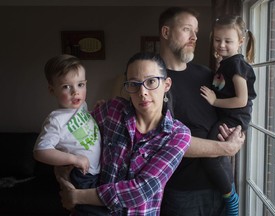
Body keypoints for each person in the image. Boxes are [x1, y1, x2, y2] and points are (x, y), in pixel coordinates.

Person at [56, 52, 192, 215]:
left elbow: (142, 190)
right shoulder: (112, 110)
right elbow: (70, 135)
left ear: (166, 84)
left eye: (151, 82)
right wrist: (62, 172)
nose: (142, 92)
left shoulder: (178, 135)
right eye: (134, 84)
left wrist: (77, 196)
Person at [158, 7, 246, 216]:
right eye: (187, 29)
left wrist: (236, 135)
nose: (195, 37)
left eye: (196, 31)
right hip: (182, 192)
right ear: (166, 32)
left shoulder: (207, 74)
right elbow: (164, 140)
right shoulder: (154, 80)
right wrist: (225, 148)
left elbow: (236, 111)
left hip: (222, 183)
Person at [199, 15, 257, 215]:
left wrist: (215, 101)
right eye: (217, 40)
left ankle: (230, 196)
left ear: (240, 42)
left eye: (228, 41)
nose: (221, 45)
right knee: (216, 155)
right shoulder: (227, 62)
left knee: (210, 156)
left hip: (235, 118)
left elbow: (241, 99)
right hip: (227, 116)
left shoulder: (237, 64)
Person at [33, 54, 102, 215]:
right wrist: (74, 159)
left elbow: (79, 128)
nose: (75, 92)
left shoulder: (82, 107)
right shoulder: (56, 119)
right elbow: (40, 151)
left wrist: (95, 112)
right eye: (66, 86)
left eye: (80, 84)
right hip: (82, 176)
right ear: (52, 90)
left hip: (97, 171)